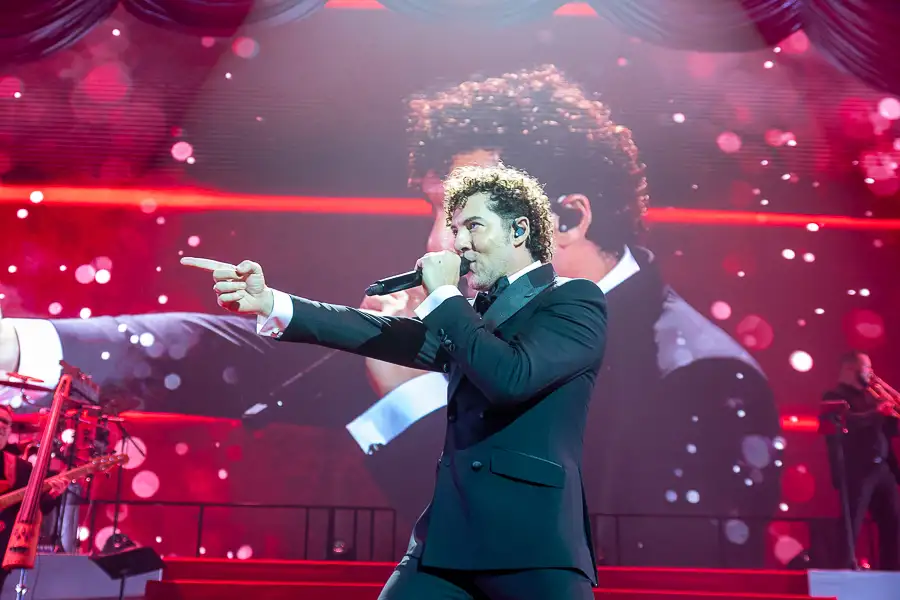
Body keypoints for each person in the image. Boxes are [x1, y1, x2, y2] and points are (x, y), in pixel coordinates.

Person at [0, 64, 781, 566]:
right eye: (435, 211)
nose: (437, 243)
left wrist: (407, 402)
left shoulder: (701, 381)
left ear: (568, 218)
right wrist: (20, 346)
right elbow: (235, 354)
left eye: (464, 218)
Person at [184, 164, 607, 599]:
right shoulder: (468, 316)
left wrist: (443, 296)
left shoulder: (573, 299)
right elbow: (378, 333)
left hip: (533, 544)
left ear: (519, 230)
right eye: (455, 230)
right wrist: (270, 302)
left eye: (474, 227)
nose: (459, 243)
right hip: (447, 539)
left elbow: (511, 378)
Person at [821, 350, 900, 570]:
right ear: (849, 368)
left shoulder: (871, 397)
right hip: (857, 470)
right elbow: (846, 423)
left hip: (882, 468)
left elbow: (886, 431)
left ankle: (892, 571)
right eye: (866, 368)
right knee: (851, 523)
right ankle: (843, 568)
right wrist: (877, 413)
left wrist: (891, 417)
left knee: (893, 522)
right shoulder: (834, 395)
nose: (871, 374)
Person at [0, 405, 68, 592]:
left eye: (6, 422)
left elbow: (35, 507)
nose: (2, 425)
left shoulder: (19, 468)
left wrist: (54, 493)